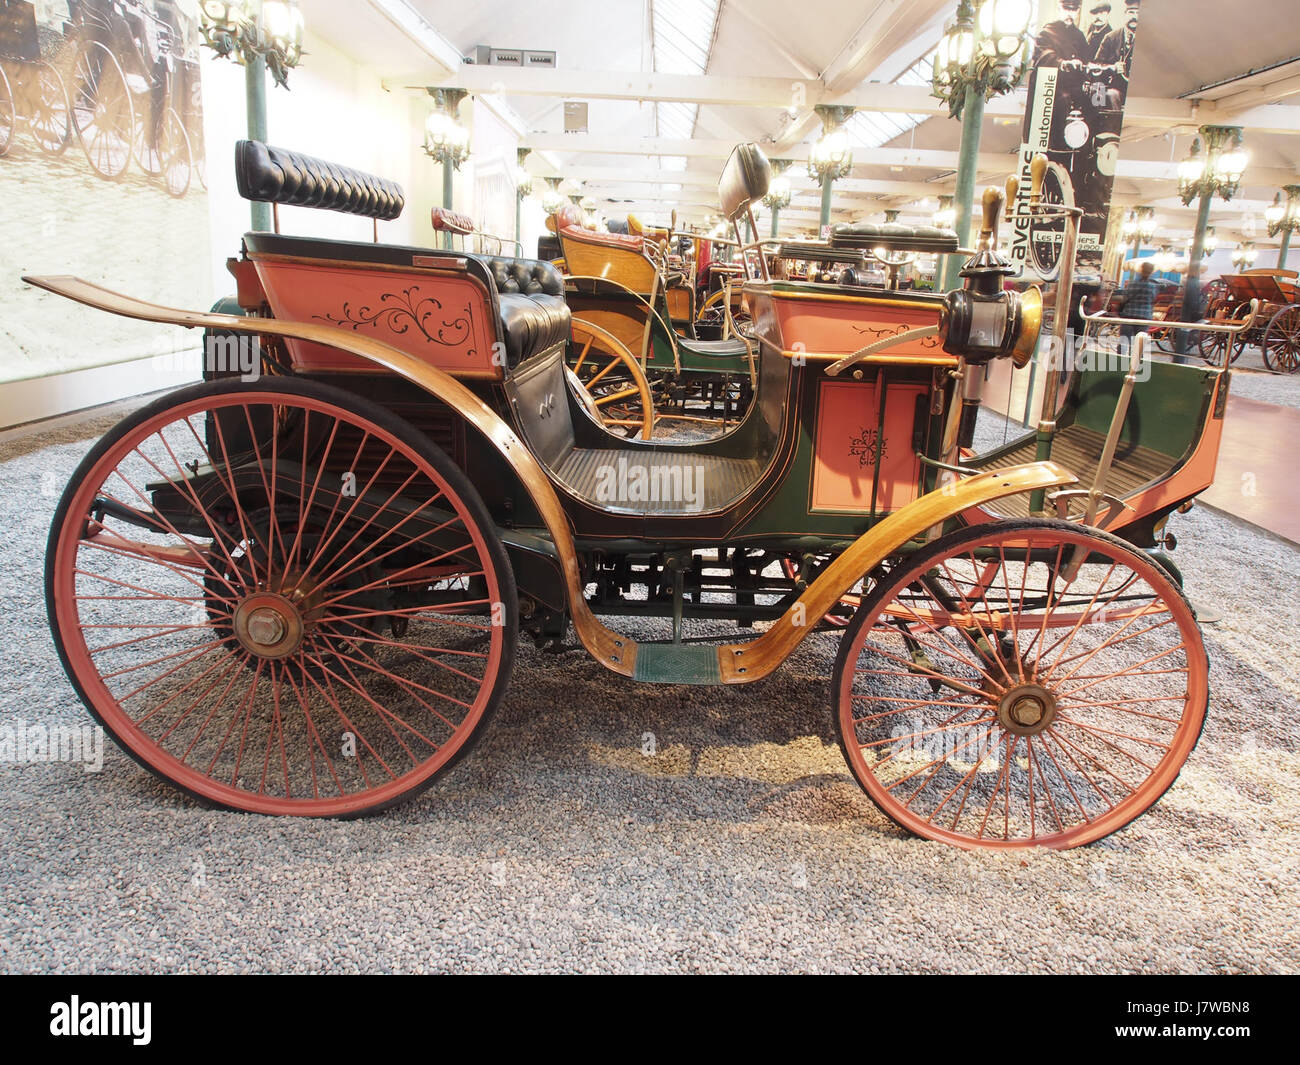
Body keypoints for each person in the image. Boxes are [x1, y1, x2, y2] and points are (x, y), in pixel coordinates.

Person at [1032, 0, 1090, 71]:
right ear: (1059, 9)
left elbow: (1086, 58)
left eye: (1074, 9)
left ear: (1078, 11)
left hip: (1073, 80)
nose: (1070, 14)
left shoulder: (1079, 35)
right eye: (1066, 8)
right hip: (1052, 78)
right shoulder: (1046, 33)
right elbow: (1045, 56)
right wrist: (1062, 64)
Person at [1096, 0, 1141, 77]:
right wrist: (1112, 67)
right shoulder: (1110, 38)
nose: (1134, 17)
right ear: (1124, 14)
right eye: (1131, 12)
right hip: (1113, 86)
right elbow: (1096, 66)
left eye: (1138, 13)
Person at [1118, 260, 1158, 342]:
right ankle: (1139, 355)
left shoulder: (1132, 284)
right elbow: (1152, 299)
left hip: (1129, 315)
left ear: (1141, 270)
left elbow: (1125, 298)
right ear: (1151, 272)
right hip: (1144, 317)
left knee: (1124, 342)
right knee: (1140, 343)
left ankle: (1121, 354)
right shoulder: (1153, 286)